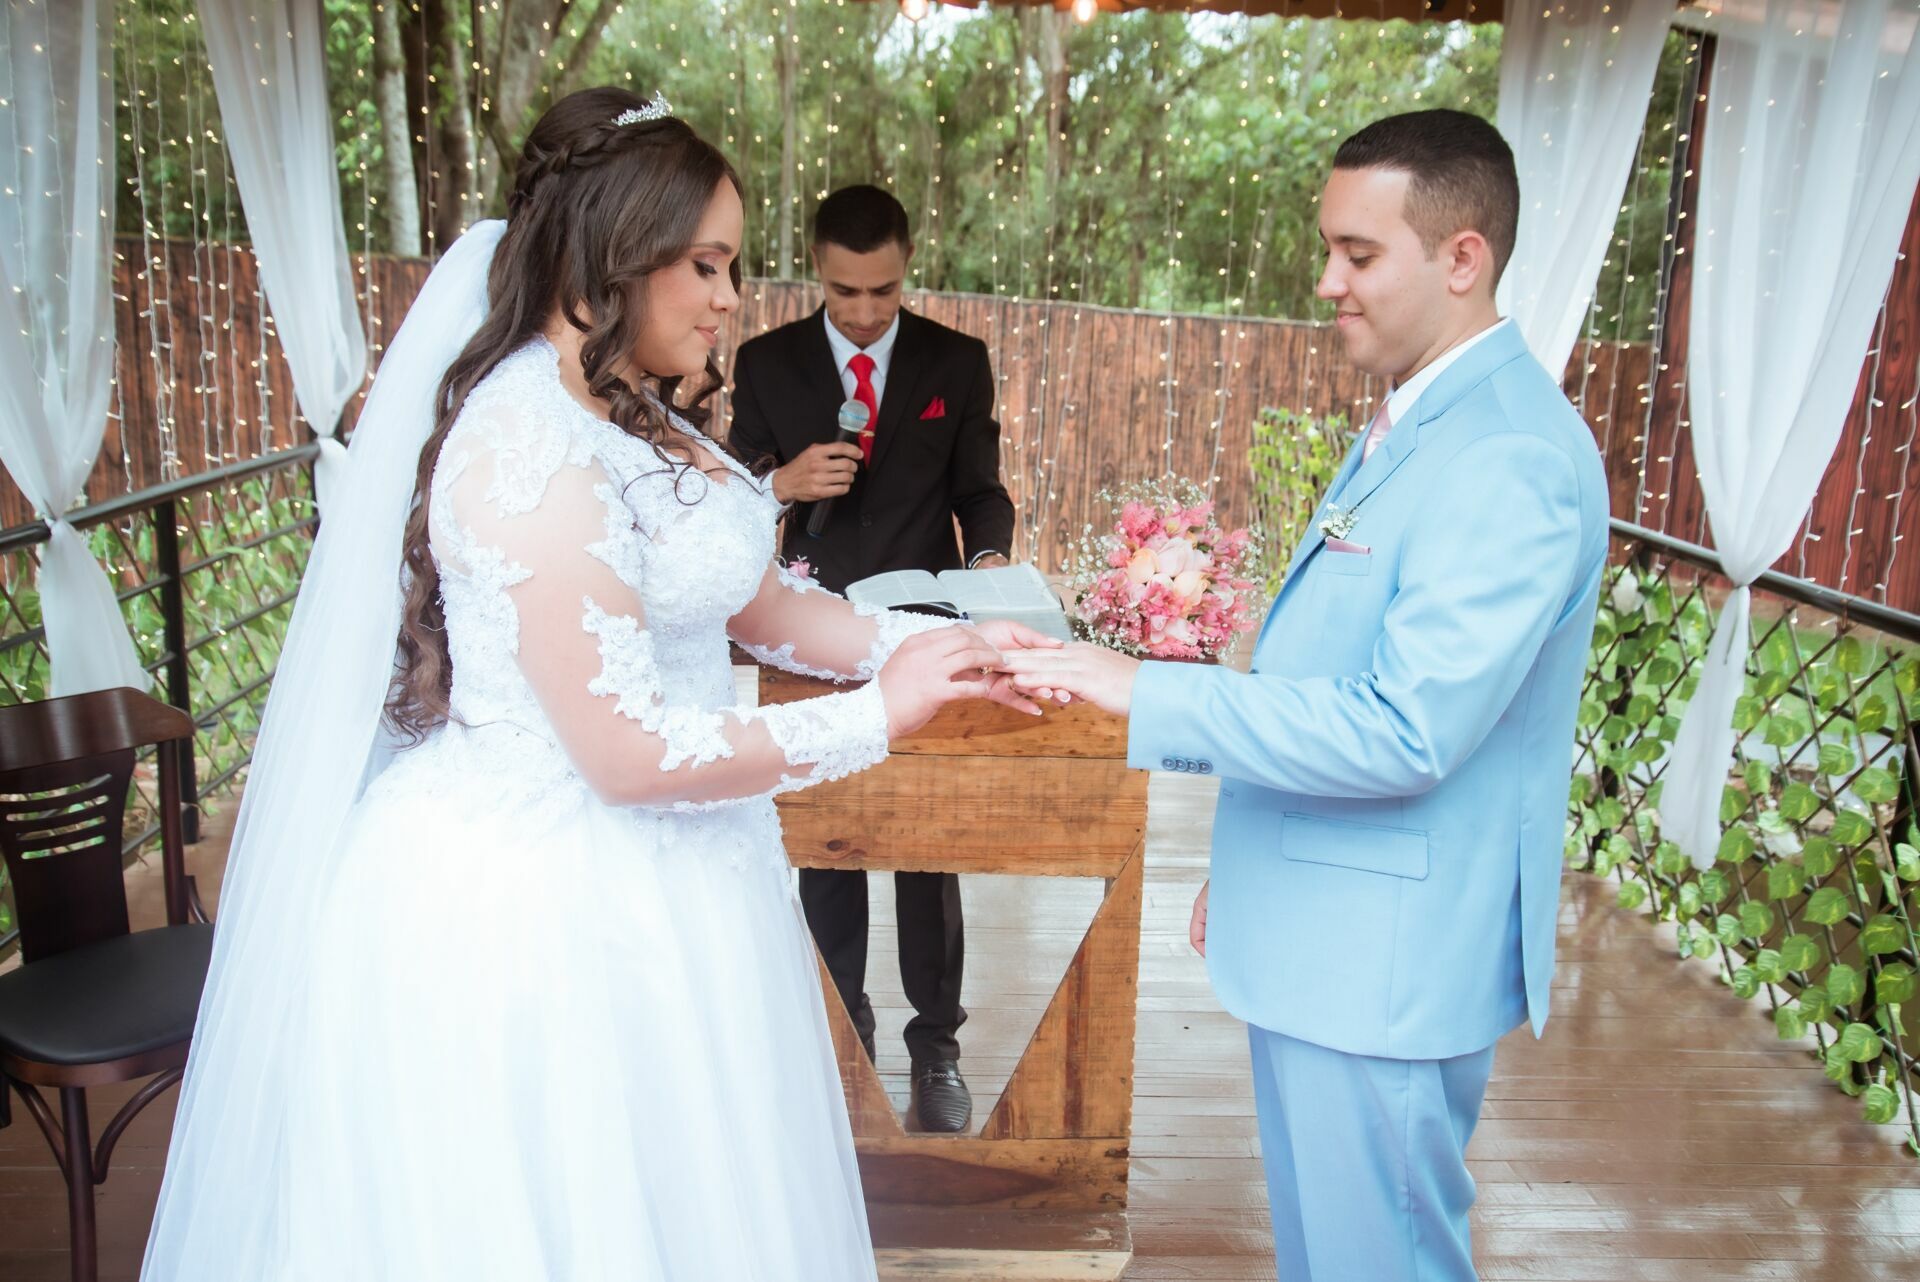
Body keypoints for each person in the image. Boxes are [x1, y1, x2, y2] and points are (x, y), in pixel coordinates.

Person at [141, 88, 1053, 1281]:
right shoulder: (527, 447)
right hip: (542, 909)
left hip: (688, 880)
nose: (732, 297)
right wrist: (882, 715)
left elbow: (759, 601)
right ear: (616, 253)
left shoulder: (639, 413)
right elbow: (623, 755)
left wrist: (922, 646)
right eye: (709, 264)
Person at [1005, 109, 1609, 1281]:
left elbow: (1405, 727)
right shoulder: (1419, 416)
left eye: (1359, 253)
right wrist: (1257, 861)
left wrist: (1146, 692)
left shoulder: (1508, 454)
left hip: (1383, 962)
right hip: (1332, 924)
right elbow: (1335, 672)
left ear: (1463, 257)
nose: (1326, 280)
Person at [728, 184, 1014, 1132]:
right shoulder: (764, 363)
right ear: (817, 267)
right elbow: (722, 496)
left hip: (925, 637)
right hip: (804, 636)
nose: (862, 311)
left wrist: (989, 570)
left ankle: (937, 1051)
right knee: (830, 844)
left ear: (906, 266)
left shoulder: (956, 361)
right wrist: (781, 482)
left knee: (932, 849)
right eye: (845, 291)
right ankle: (841, 1038)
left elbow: (983, 491)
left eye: (882, 292)